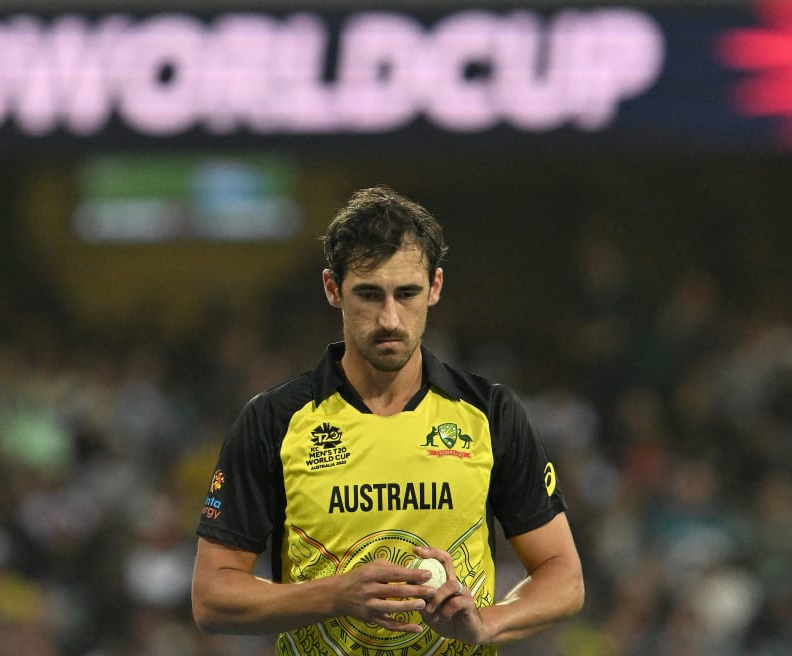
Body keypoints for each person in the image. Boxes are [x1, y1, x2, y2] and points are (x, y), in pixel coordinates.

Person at [191, 185, 584, 655]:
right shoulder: (273, 420)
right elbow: (212, 597)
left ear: (435, 287)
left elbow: (564, 577)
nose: (390, 319)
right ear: (332, 289)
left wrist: (487, 623)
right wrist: (336, 594)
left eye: (408, 293)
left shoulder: (490, 413)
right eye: (370, 294)